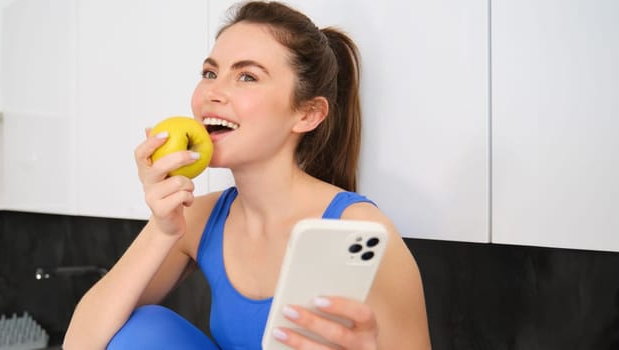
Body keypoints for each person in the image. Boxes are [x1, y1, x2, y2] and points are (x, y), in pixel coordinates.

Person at [63, 1, 430, 349]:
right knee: (143, 328)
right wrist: (162, 231)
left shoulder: (362, 231)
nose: (213, 92)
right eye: (210, 72)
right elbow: (82, 342)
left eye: (247, 76)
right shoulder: (196, 218)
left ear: (307, 114)